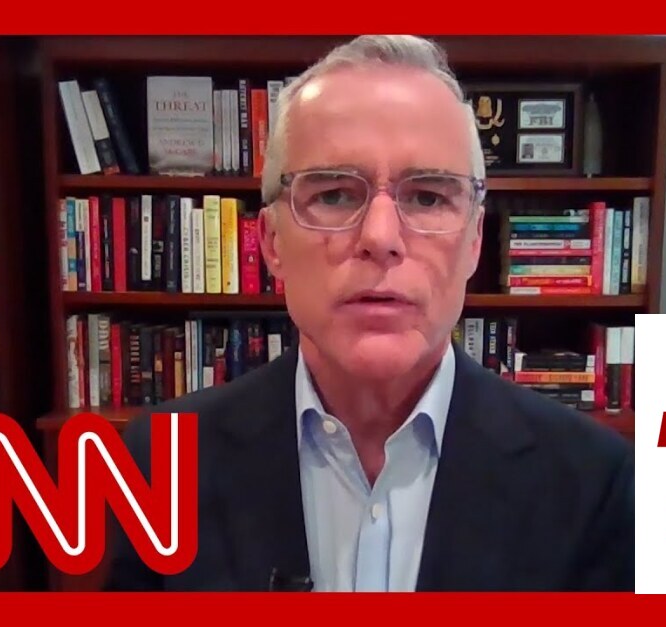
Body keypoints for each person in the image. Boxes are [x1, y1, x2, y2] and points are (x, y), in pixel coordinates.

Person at [104, 34, 634, 592]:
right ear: (271, 242)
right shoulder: (161, 461)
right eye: (334, 195)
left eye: (428, 197)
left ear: (475, 241)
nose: (380, 238)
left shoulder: (595, 482)